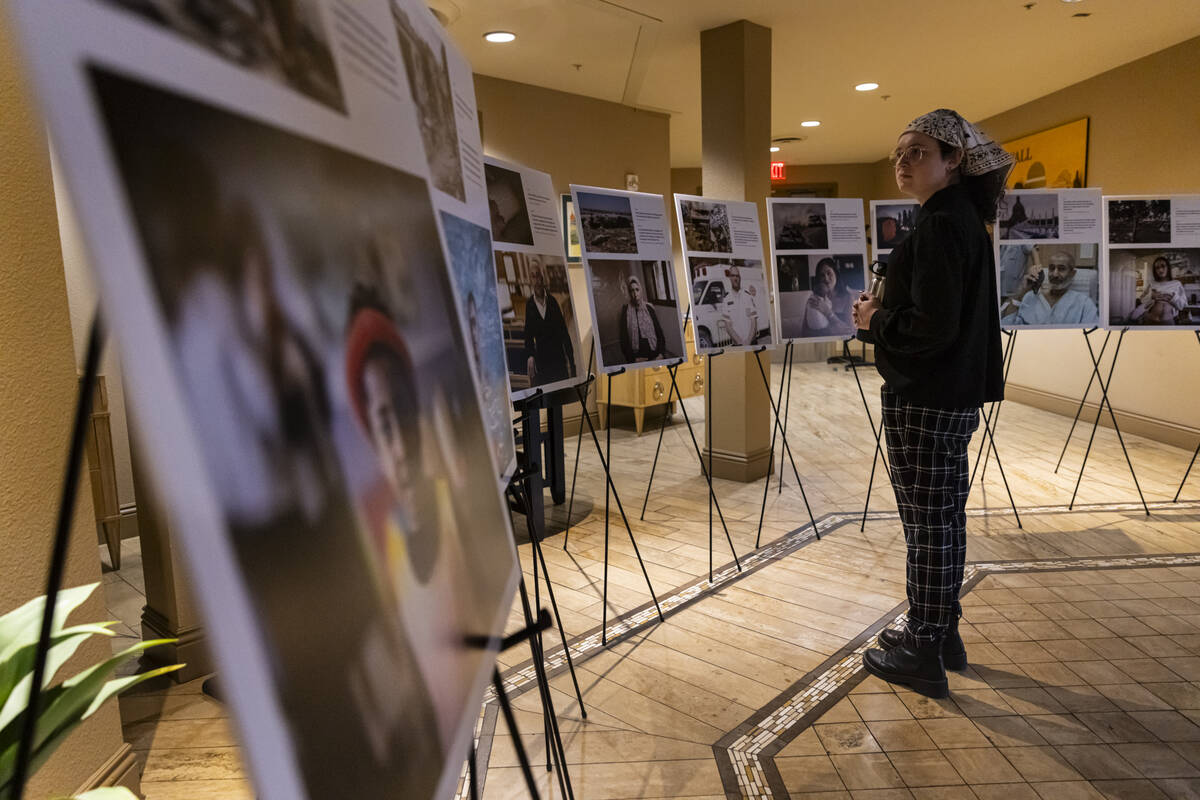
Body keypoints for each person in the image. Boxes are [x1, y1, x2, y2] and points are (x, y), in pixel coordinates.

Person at [852, 108, 1013, 699]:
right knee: (944, 517)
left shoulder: (943, 225)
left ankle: (924, 644)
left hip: (926, 397)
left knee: (927, 524)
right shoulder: (959, 219)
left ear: (953, 162)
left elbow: (932, 327)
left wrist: (875, 319)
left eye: (918, 151)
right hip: (946, 396)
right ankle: (942, 634)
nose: (902, 160)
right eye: (900, 151)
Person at [1001, 250, 1098, 326]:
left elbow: (1094, 334)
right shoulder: (1030, 297)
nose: (1055, 274)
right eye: (1052, 268)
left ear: (1072, 274)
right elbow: (1007, 325)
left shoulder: (1084, 303)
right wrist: (1021, 293)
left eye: (1061, 269)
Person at [523, 257, 576, 384]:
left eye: (538, 275)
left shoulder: (552, 302)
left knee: (560, 400)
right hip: (543, 363)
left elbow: (564, 333)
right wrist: (530, 355)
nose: (537, 280)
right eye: (533, 276)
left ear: (543, 276)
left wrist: (572, 363)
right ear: (530, 280)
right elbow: (528, 336)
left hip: (558, 361)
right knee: (549, 400)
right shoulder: (529, 305)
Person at [618, 274, 668, 363]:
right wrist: (633, 359)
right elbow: (623, 339)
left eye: (637, 290)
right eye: (632, 291)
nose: (635, 294)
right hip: (637, 356)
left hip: (655, 353)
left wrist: (661, 354)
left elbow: (659, 333)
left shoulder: (649, 308)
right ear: (629, 293)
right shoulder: (625, 311)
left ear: (641, 290)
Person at [801, 257, 855, 337]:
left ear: (836, 273)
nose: (826, 278)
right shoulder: (814, 298)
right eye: (822, 275)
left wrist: (827, 312)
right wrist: (830, 331)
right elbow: (804, 332)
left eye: (829, 273)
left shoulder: (848, 298)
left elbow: (850, 331)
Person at [1131, 256, 1187, 324]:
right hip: (1150, 319)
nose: (1160, 270)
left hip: (1168, 322)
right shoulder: (1152, 284)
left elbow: (1182, 306)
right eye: (1157, 268)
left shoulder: (1177, 284)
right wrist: (1151, 296)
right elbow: (1142, 300)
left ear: (1168, 268)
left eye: (1163, 266)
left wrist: (1173, 298)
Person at [722, 265, 761, 345]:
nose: (735, 278)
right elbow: (728, 325)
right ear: (729, 277)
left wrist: (748, 341)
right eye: (733, 275)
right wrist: (740, 342)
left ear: (740, 278)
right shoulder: (726, 299)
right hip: (738, 344)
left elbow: (753, 321)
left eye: (737, 276)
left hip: (751, 343)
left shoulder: (747, 296)